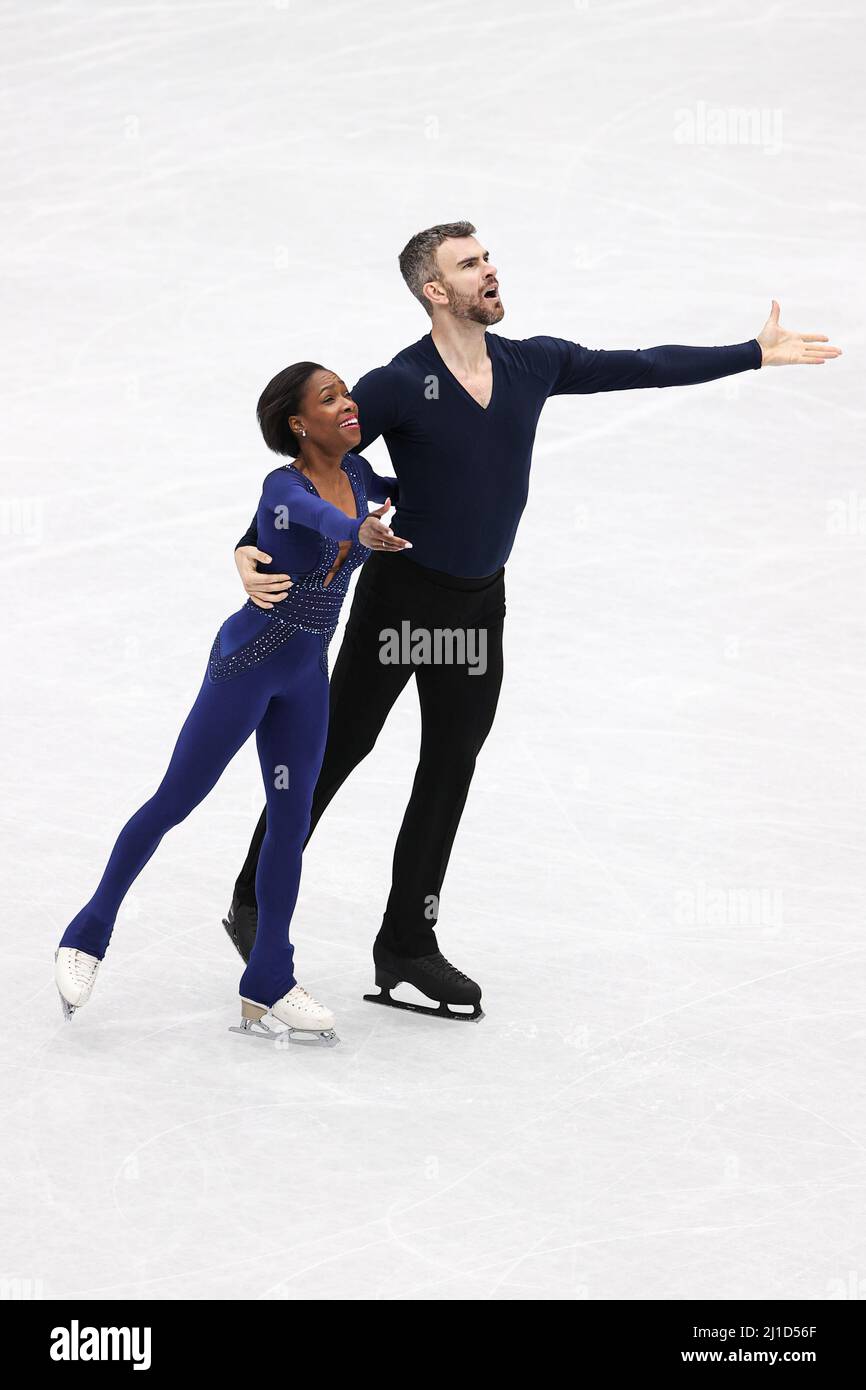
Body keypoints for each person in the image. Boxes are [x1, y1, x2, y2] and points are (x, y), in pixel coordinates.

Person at [226, 220, 842, 1022]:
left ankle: (407, 942)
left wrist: (752, 352)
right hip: (400, 603)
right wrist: (251, 540)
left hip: (479, 608)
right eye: (468, 265)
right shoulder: (398, 384)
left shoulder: (529, 363)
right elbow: (312, 467)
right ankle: (251, 899)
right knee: (338, 748)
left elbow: (642, 367)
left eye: (487, 258)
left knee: (449, 770)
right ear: (433, 291)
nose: (489, 271)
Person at [54, 362, 411, 1045]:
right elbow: (313, 519)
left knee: (290, 819)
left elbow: (409, 487)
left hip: (306, 674)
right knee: (174, 801)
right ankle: (87, 930)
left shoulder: (361, 475)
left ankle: (269, 975)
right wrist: (358, 533)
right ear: (298, 424)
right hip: (246, 666)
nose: (349, 402)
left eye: (346, 390)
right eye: (329, 397)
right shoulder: (285, 487)